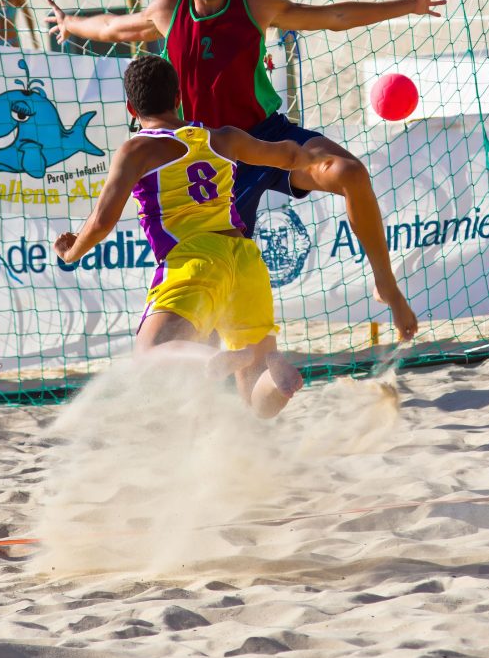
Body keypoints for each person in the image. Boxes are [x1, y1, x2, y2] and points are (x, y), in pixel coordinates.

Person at [48, 0, 449, 341]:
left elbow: (334, 17)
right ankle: (222, 363)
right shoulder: (168, 11)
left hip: (265, 135)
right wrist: (70, 24)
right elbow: (113, 29)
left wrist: (411, 5)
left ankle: (384, 282)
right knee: (224, 284)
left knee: (350, 172)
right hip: (211, 155)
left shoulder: (255, 5)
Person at [53, 53, 330, 418]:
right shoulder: (224, 138)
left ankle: (218, 358)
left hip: (194, 258)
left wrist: (72, 252)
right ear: (179, 97)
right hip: (244, 259)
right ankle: (276, 375)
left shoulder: (138, 148)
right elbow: (290, 155)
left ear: (130, 107)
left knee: (150, 356)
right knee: (257, 400)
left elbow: (103, 221)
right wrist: (326, 161)